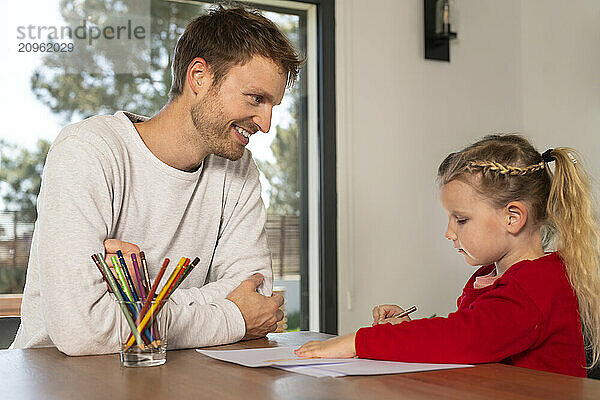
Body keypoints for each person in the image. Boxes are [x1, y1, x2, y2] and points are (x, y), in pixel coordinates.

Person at [12, 5, 303, 355]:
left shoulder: (238, 169)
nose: (266, 124)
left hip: (173, 374)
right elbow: (83, 329)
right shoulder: (88, 151)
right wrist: (231, 316)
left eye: (273, 105)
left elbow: (255, 297)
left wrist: (137, 297)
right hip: (55, 378)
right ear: (199, 77)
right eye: (256, 99)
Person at [296, 134, 600, 377]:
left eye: (461, 220)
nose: (449, 232)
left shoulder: (538, 284)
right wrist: (405, 330)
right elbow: (471, 332)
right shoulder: (490, 277)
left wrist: (358, 342)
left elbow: (466, 338)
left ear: (513, 217)